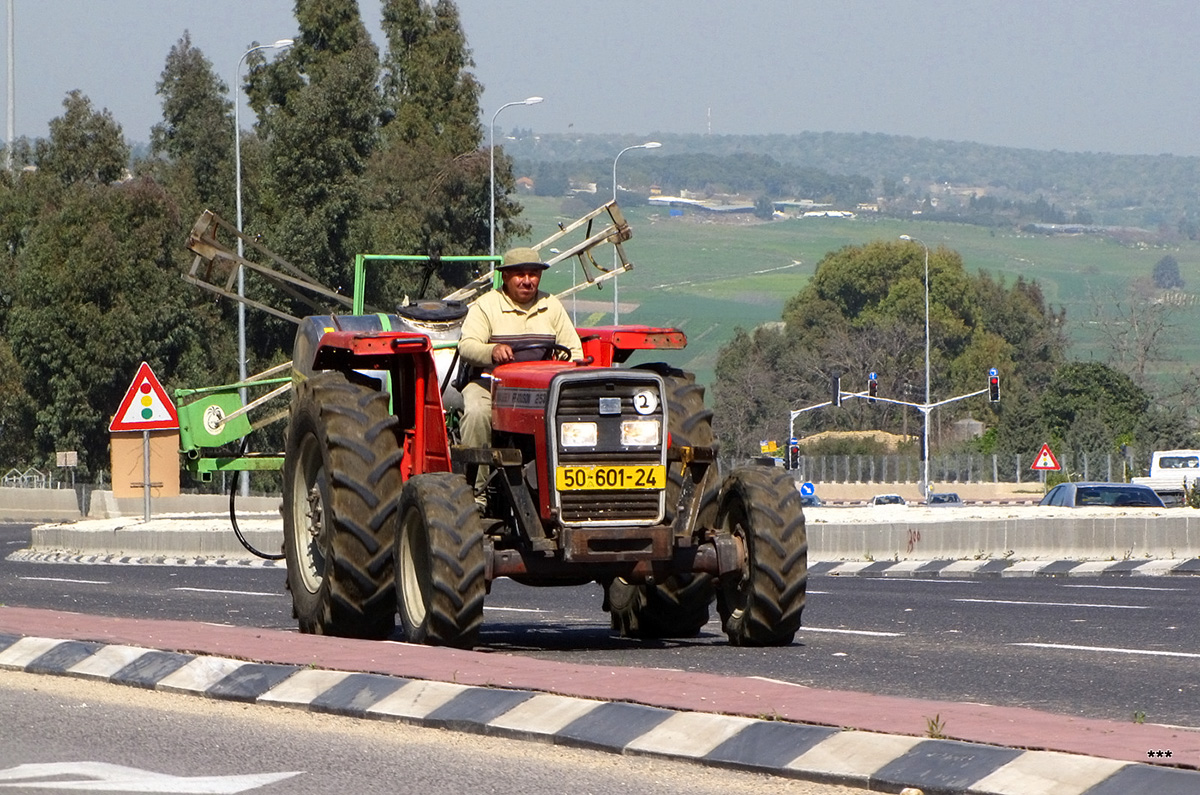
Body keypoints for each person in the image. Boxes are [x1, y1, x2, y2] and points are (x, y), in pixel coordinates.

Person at [457, 247, 583, 495]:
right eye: (520, 274)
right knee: (476, 413)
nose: (527, 281)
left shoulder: (551, 305)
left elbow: (574, 351)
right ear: (505, 277)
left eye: (533, 274)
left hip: (541, 389)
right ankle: (475, 491)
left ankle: (568, 489)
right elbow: (467, 346)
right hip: (490, 384)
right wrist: (492, 351)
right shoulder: (485, 306)